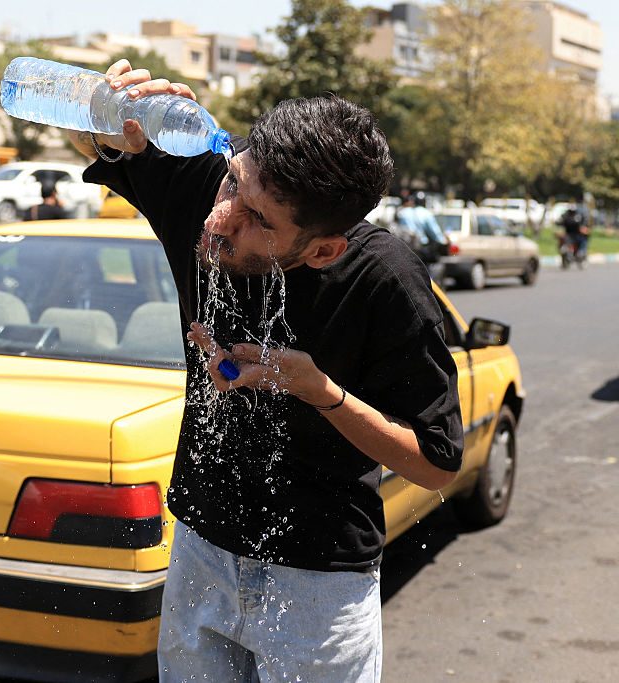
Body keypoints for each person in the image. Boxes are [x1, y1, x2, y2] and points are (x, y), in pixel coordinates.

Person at [68, 60, 463, 682]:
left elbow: (436, 463)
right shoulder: (212, 189)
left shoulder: (384, 281)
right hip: (199, 548)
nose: (222, 219)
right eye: (233, 187)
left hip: (317, 584)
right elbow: (103, 145)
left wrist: (320, 392)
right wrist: (105, 112)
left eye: (259, 221)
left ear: (324, 249)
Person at [395, 192, 450, 285]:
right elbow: (435, 234)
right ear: (424, 202)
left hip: (404, 247)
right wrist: (444, 241)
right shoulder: (426, 213)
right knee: (432, 264)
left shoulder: (403, 213)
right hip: (421, 248)